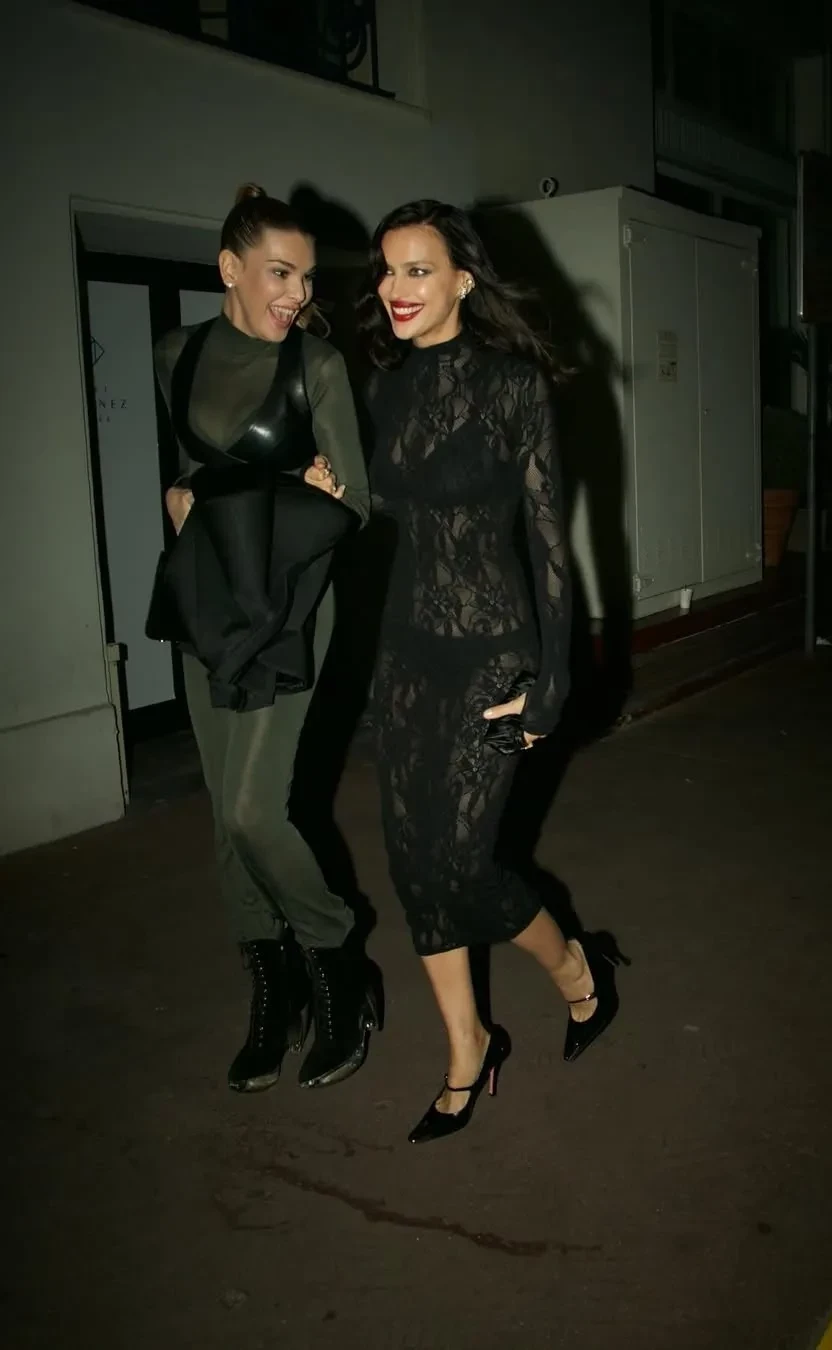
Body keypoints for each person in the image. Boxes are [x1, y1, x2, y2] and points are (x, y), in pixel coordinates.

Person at [328, 199, 625, 1143]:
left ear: (463, 279)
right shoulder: (383, 385)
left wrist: (553, 680)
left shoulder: (512, 384)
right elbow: (379, 514)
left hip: (494, 650)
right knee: (411, 863)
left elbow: (550, 545)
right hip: (406, 651)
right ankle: (469, 1046)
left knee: (461, 863)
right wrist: (333, 494)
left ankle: (578, 971)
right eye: (388, 269)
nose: (396, 287)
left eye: (418, 269)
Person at [151, 184, 378, 1094]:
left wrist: (306, 494)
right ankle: (274, 992)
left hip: (289, 599)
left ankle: (337, 958)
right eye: (280, 273)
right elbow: (189, 471)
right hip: (208, 595)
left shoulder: (316, 365)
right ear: (229, 269)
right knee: (223, 819)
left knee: (256, 809)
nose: (297, 294)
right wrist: (179, 496)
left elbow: (357, 505)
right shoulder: (175, 353)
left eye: (306, 277)